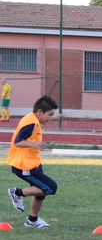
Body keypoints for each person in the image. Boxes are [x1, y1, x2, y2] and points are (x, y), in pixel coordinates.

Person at [6, 95, 64, 228]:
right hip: (24, 165)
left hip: (33, 163)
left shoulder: (33, 118)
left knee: (41, 192)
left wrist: (55, 117)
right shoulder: (31, 123)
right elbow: (18, 142)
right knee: (50, 187)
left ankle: (32, 220)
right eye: (49, 115)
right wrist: (33, 144)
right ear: (39, 112)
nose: (50, 118)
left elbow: (43, 118)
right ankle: (17, 193)